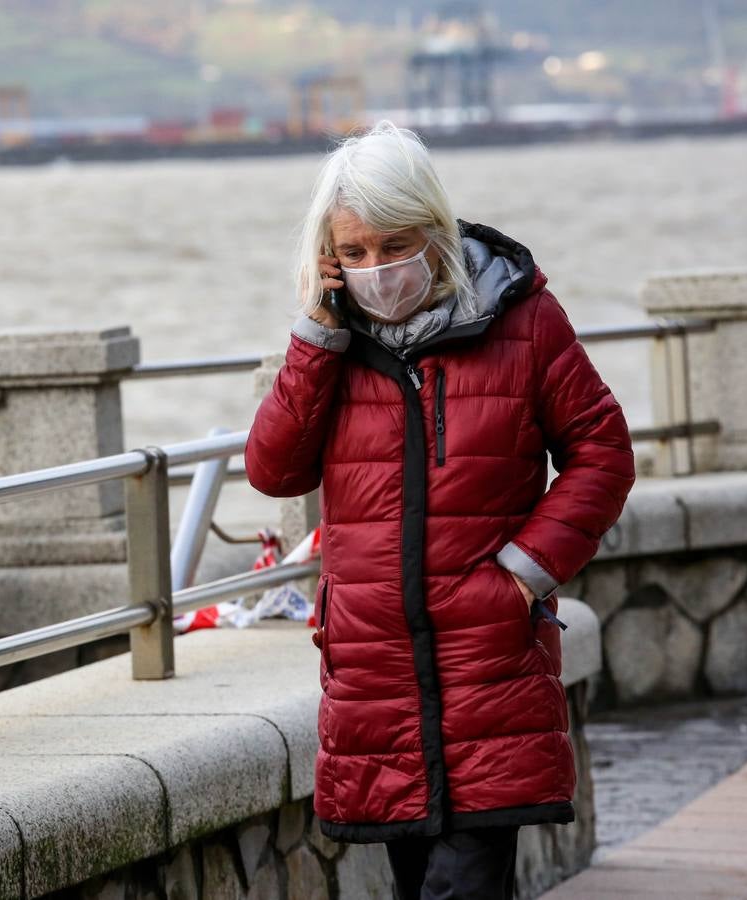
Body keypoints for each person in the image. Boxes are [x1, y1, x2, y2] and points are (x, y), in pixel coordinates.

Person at [245, 121, 636, 899]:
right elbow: (274, 471)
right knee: (418, 882)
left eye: (393, 247)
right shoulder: (334, 344)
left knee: (461, 886)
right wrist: (317, 336)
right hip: (376, 677)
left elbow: (603, 452)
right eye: (352, 254)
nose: (375, 270)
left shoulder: (523, 322)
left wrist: (524, 573)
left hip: (488, 661)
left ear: (434, 228)